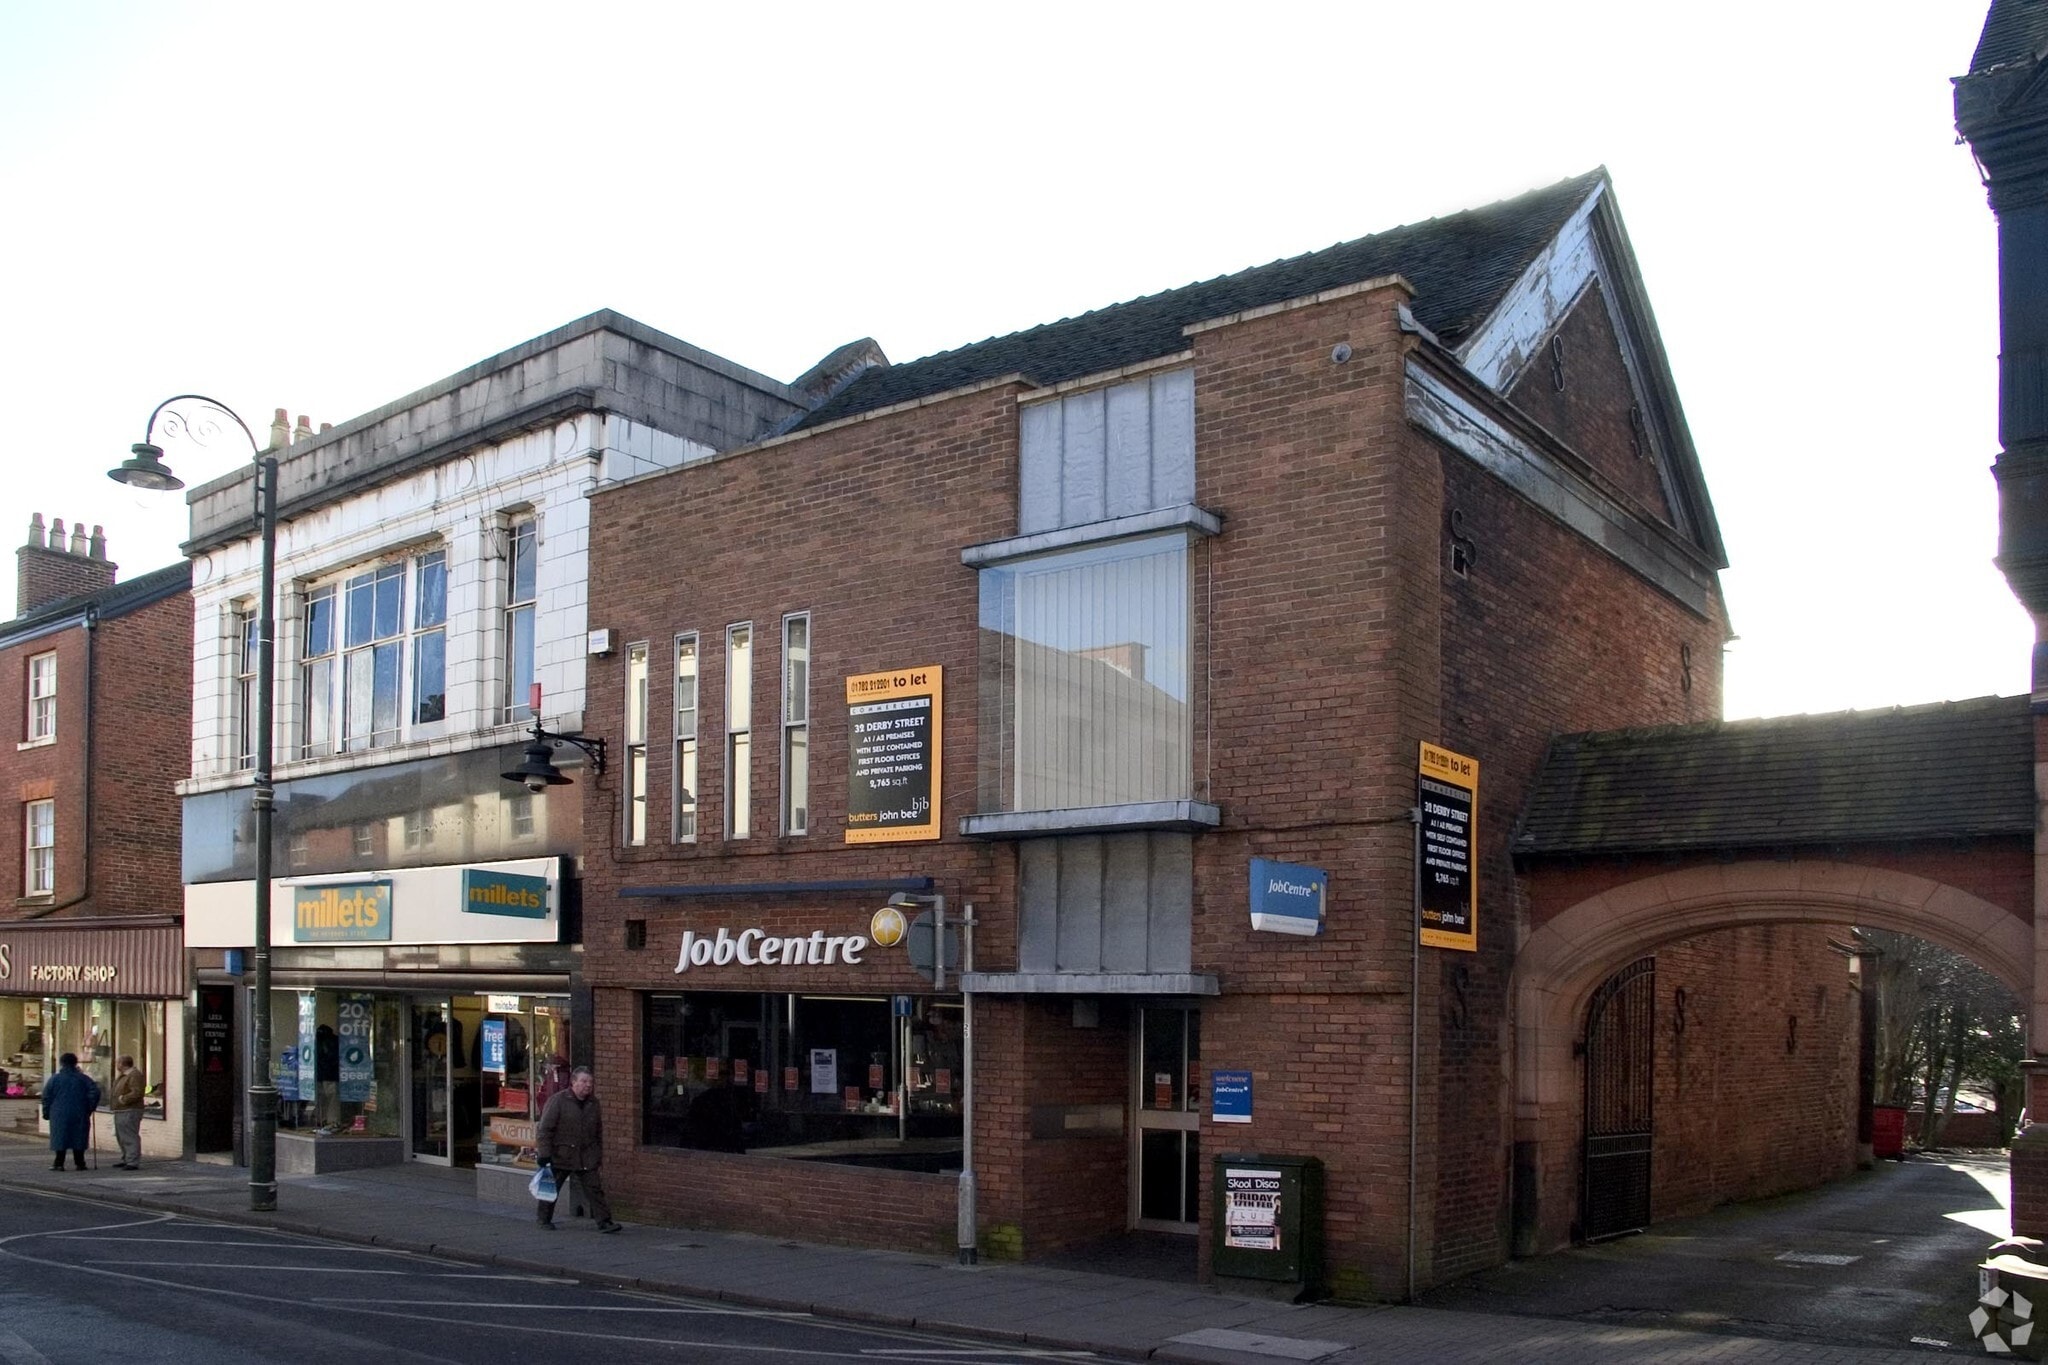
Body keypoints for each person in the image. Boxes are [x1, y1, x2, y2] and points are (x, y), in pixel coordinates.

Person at [534, 1065, 619, 1233]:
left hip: (586, 1154)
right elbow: (545, 1129)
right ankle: (543, 1219)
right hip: (561, 1153)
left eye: (590, 1082)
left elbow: (598, 1131)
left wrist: (598, 1155)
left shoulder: (594, 1103)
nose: (588, 1085)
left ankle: (604, 1222)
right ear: (573, 1082)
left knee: (594, 1189)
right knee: (551, 1188)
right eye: (584, 1081)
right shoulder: (558, 1100)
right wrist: (544, 1154)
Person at [41, 1052, 99, 1171]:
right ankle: (80, 1162)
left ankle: (59, 1162)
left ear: (62, 1063)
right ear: (75, 1063)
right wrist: (90, 1107)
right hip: (79, 1111)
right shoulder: (83, 1079)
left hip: (59, 1112)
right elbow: (95, 1092)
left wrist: (46, 1111)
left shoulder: (55, 1079)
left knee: (60, 1136)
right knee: (79, 1136)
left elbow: (46, 1097)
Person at [109, 1054, 146, 1169]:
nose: (116, 1065)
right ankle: (126, 1158)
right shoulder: (124, 1075)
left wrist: (123, 1099)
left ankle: (132, 1161)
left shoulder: (134, 1075)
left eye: (118, 1063)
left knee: (129, 1136)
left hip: (130, 1109)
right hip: (121, 1109)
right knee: (121, 1136)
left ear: (122, 1064)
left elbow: (137, 1092)